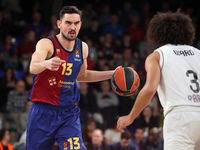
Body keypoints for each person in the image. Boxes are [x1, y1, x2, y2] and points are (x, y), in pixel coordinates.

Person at [27, 6, 120, 150]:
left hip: (67, 113)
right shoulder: (46, 44)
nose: (72, 27)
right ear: (59, 24)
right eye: (68, 23)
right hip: (43, 112)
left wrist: (112, 73)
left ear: (80, 25)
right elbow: (33, 67)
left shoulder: (83, 47)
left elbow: (83, 75)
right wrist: (46, 63)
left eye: (76, 23)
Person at [117, 11, 200, 150]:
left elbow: (150, 88)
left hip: (179, 117)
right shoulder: (198, 53)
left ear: (158, 34)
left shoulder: (157, 55)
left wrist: (131, 116)